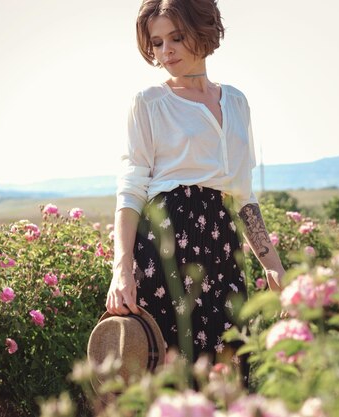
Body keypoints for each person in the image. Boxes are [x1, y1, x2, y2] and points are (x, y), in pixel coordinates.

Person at [106, 0, 285, 385]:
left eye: (176, 37)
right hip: (165, 247)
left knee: (228, 368)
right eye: (156, 42)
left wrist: (273, 264)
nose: (165, 51)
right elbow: (131, 189)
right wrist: (121, 268)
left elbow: (242, 196)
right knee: (170, 373)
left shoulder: (236, 102)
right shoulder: (149, 102)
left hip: (222, 247)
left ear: (202, 31)